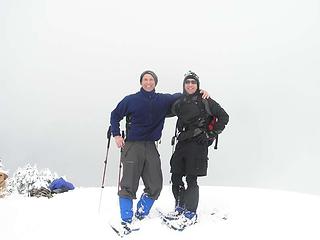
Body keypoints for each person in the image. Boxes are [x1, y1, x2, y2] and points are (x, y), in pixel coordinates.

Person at [110, 70, 209, 232]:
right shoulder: (130, 100)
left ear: (155, 82)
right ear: (141, 82)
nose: (148, 82)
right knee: (128, 183)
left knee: (155, 184)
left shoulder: (163, 100)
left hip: (151, 146)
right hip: (132, 145)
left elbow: (184, 94)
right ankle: (126, 218)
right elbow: (115, 115)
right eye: (145, 79)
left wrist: (201, 91)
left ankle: (141, 212)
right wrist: (116, 134)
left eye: (151, 80)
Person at [166, 71, 229, 230]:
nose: (190, 85)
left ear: (198, 85)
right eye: (187, 82)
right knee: (176, 175)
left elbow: (224, 116)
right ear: (184, 85)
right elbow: (166, 111)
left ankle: (190, 213)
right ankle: (180, 207)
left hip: (198, 143)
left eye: (193, 83)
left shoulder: (206, 100)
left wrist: (211, 133)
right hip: (182, 142)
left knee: (191, 179)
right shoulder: (180, 102)